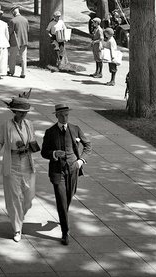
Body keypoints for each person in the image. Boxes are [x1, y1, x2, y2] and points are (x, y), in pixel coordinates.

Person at [40, 103, 91, 245]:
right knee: (61, 201)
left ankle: (63, 217)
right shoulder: (50, 132)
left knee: (69, 196)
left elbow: (88, 146)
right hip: (57, 172)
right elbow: (44, 152)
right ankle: (65, 232)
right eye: (61, 115)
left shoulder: (75, 129)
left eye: (66, 115)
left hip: (73, 169)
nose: (64, 118)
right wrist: (54, 153)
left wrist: (81, 161)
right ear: (56, 116)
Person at [0, 97, 40, 242]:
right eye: (21, 112)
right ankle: (17, 228)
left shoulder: (29, 124)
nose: (24, 114)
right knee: (14, 197)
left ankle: (20, 217)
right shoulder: (6, 125)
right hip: (12, 163)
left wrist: (28, 146)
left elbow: (33, 142)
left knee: (28, 197)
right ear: (15, 111)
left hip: (27, 163)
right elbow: (0, 141)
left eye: (26, 112)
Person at [9, 6, 29, 79]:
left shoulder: (12, 21)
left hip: (15, 41)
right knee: (23, 58)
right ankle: (23, 72)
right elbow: (27, 30)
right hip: (24, 41)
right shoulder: (25, 20)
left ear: (14, 12)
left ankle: (11, 71)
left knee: (12, 57)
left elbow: (10, 32)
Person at [88, 13, 104, 79]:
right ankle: (96, 71)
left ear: (97, 23)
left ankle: (100, 73)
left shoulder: (100, 30)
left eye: (94, 22)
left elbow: (101, 38)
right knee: (96, 59)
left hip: (98, 46)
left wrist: (95, 41)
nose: (93, 24)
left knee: (99, 59)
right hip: (95, 46)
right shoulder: (95, 29)